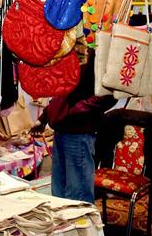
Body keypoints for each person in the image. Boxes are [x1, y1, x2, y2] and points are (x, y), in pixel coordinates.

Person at [32, 50, 116, 203]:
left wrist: (77, 110)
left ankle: (80, 227)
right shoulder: (71, 51)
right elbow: (60, 94)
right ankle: (62, 227)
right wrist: (43, 118)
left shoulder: (99, 51)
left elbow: (111, 93)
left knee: (78, 194)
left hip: (79, 132)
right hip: (61, 131)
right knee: (59, 192)